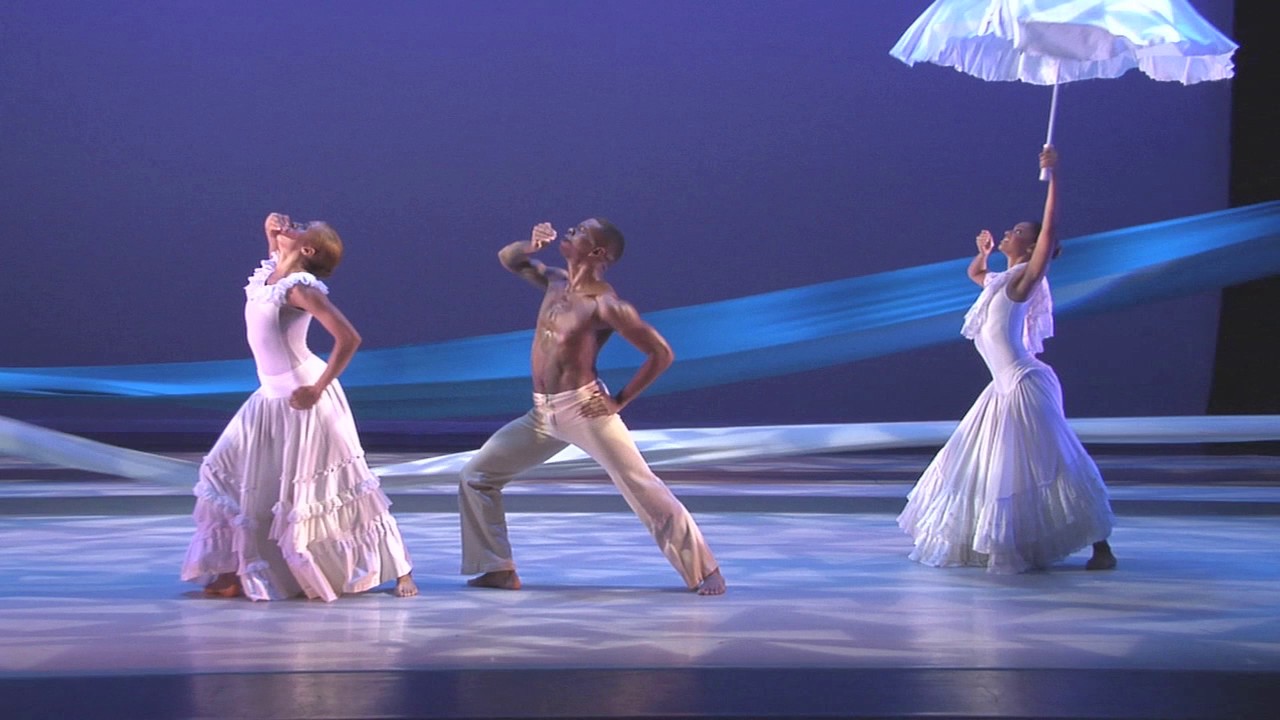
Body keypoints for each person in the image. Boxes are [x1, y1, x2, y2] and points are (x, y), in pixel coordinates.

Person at [459, 218, 726, 595]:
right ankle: (497, 569)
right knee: (476, 476)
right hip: (541, 415)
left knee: (640, 485)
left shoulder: (605, 304)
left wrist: (619, 400)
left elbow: (661, 353)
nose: (570, 231)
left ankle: (705, 570)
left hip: (583, 410)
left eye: (581, 231)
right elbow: (508, 258)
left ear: (598, 251)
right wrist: (531, 246)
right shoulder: (555, 282)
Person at [897, 147, 1117, 574]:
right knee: (988, 463)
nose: (1007, 233)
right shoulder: (1000, 280)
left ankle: (1101, 546)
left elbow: (1050, 232)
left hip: (1023, 383)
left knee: (1054, 458)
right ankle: (1003, 539)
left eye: (1017, 231)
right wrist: (982, 254)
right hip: (1001, 388)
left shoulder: (1024, 282)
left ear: (1031, 246)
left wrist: (1053, 176)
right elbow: (975, 275)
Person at [180, 213, 417, 601]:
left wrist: (317, 390)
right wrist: (269, 233)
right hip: (269, 398)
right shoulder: (271, 275)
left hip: (304, 397)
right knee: (234, 474)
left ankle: (400, 566)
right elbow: (276, 266)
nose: (289, 227)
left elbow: (349, 338)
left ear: (307, 249)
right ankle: (236, 567)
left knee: (340, 485)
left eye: (299, 229)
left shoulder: (301, 290)